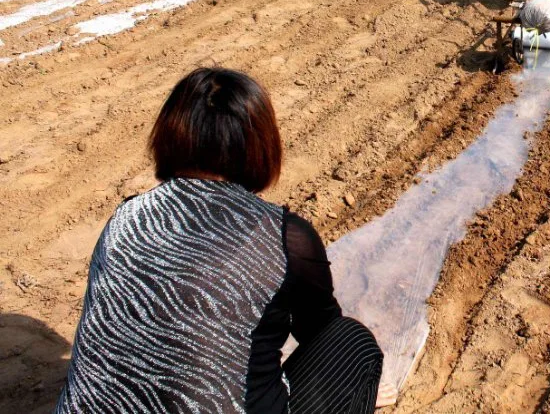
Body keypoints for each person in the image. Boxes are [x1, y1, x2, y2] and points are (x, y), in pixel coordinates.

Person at [57, 68, 389, 413]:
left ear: (168, 136)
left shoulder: (123, 221)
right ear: (261, 145)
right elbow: (322, 335)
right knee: (353, 344)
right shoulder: (284, 236)